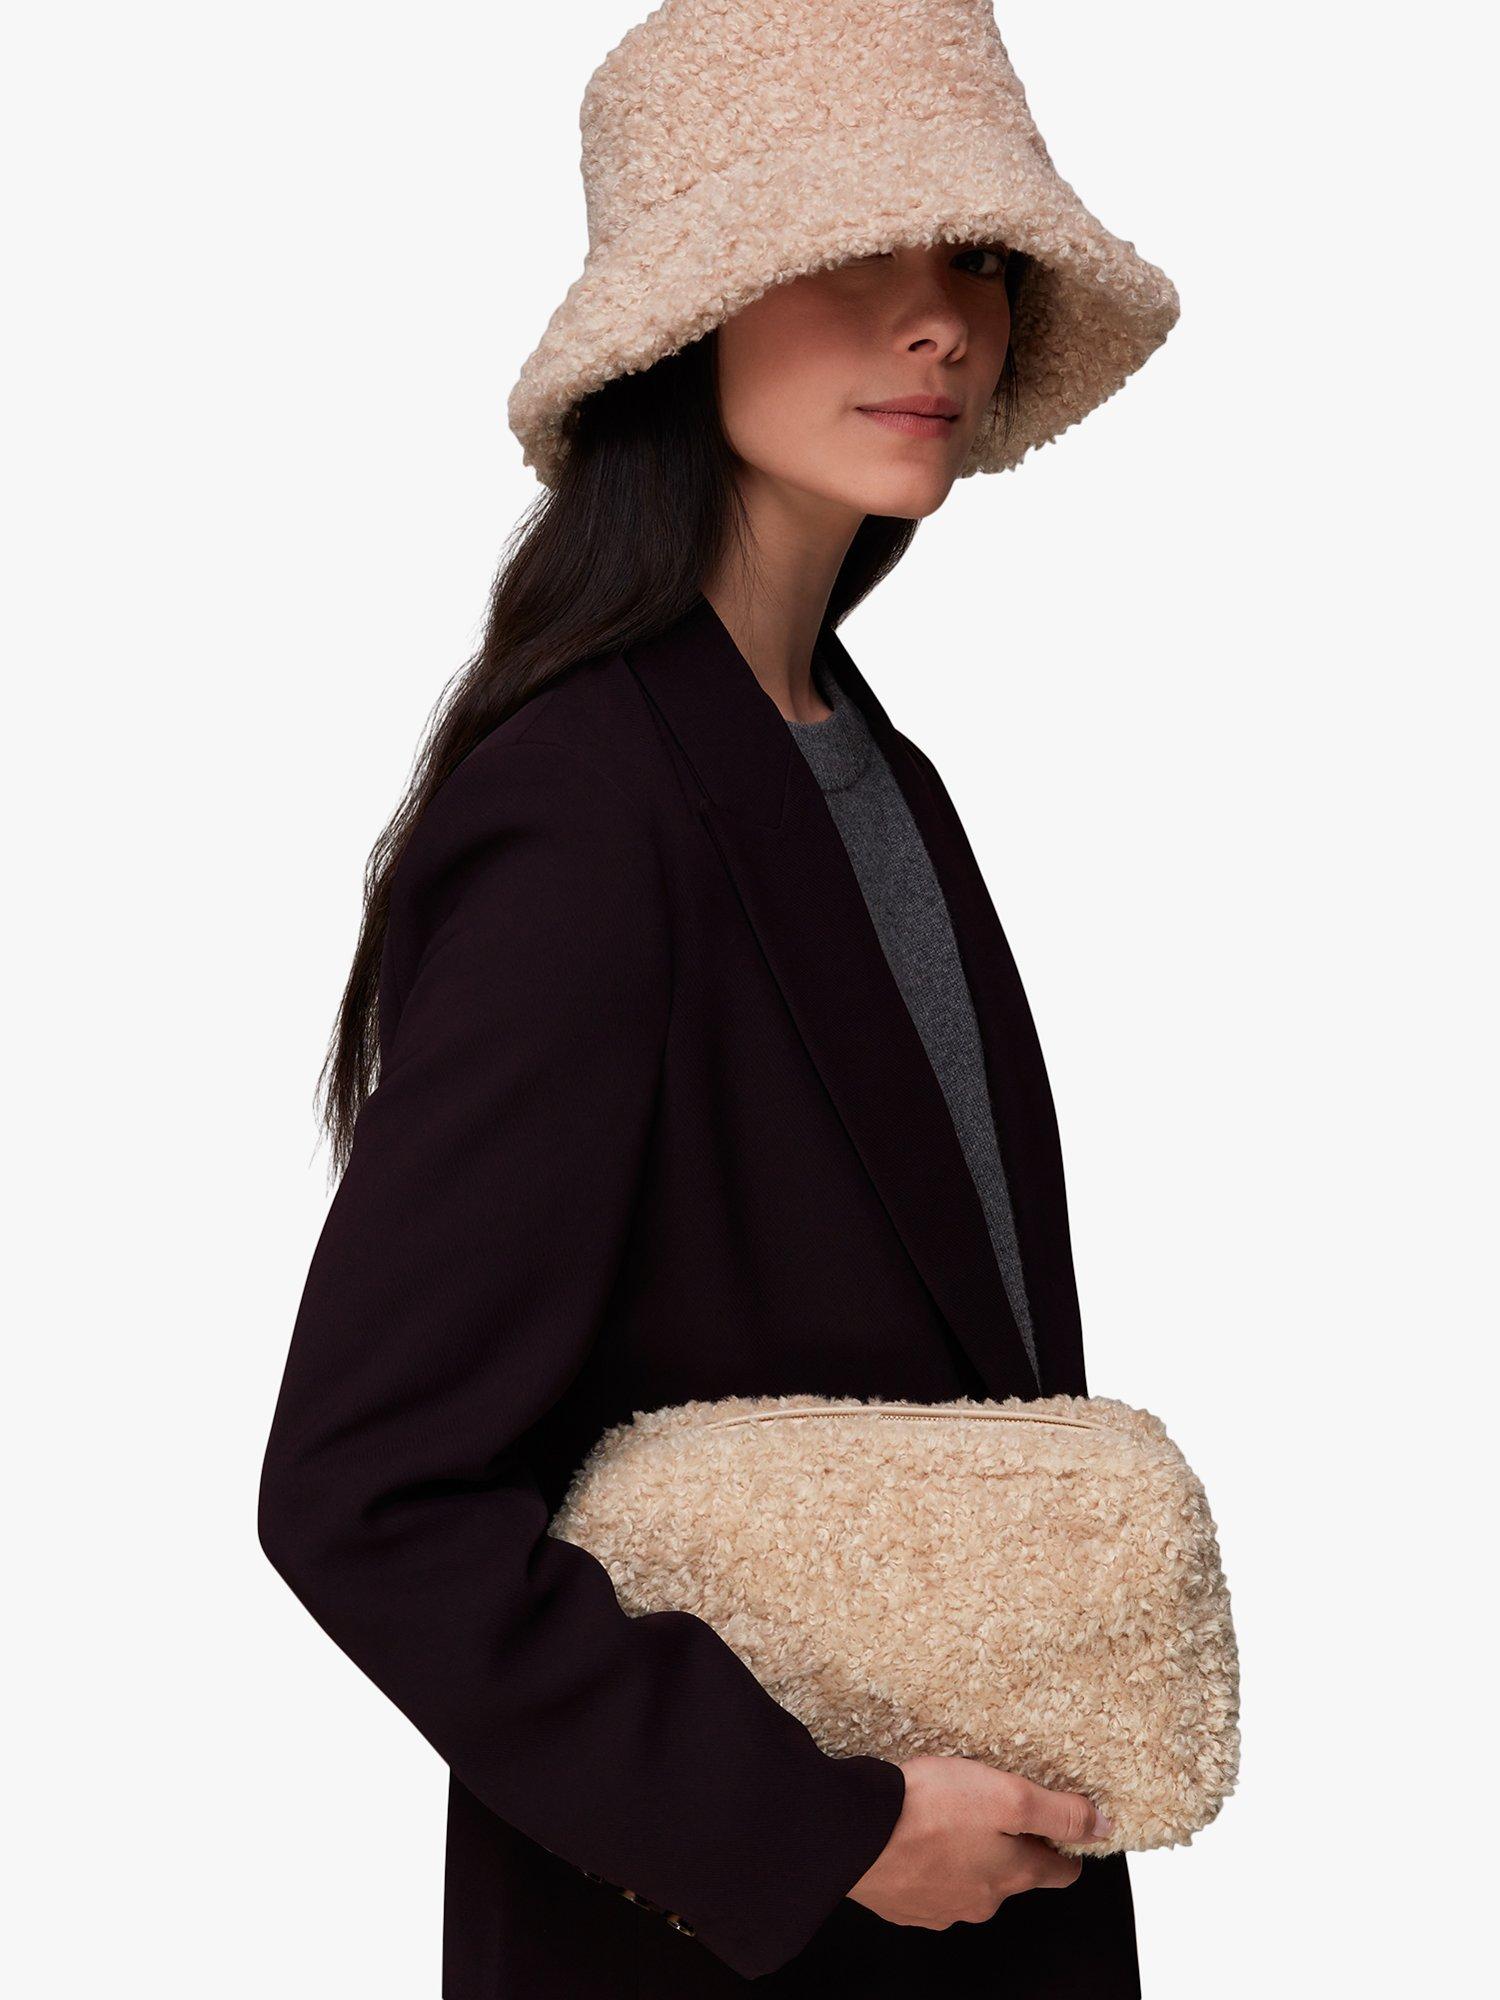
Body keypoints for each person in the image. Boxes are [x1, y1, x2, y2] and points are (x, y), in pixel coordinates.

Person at [258, 3, 1181, 1993]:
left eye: (973, 258)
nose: (939, 323)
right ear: (686, 321)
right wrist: (819, 1831)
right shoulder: (586, 811)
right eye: (851, 252)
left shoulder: (862, 764)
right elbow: (366, 1492)